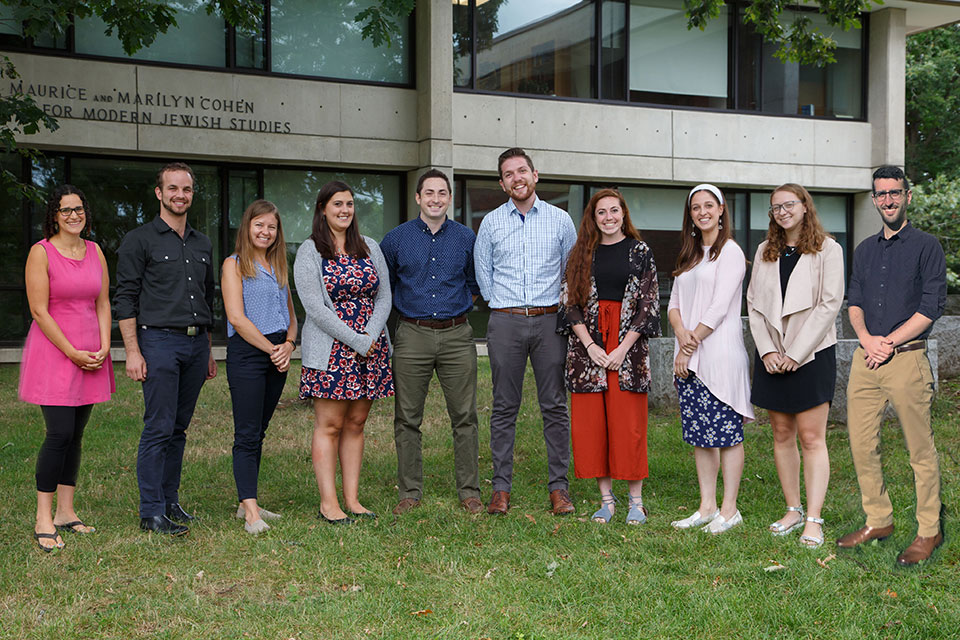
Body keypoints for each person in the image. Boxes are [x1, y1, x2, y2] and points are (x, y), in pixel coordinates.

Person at [838, 166, 947, 566]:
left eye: (895, 193)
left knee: (920, 450)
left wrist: (888, 342)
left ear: (908, 196)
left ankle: (928, 530)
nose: (888, 200)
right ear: (874, 199)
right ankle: (878, 519)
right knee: (862, 444)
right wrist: (867, 340)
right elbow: (854, 300)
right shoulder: (865, 249)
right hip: (866, 358)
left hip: (907, 358)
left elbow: (931, 306)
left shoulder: (927, 246)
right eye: (881, 194)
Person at [114, 162, 217, 536]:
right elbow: (124, 299)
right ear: (159, 193)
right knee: (158, 426)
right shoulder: (139, 240)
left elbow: (207, 300)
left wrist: (206, 350)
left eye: (186, 189)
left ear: (192, 194)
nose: (180, 195)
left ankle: (171, 501)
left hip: (194, 345)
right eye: (172, 188)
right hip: (157, 342)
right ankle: (151, 511)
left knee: (179, 427)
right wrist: (133, 351)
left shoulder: (203, 242)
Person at [474, 147, 578, 516]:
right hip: (506, 321)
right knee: (504, 406)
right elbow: (483, 274)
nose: (517, 178)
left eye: (522, 171)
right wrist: (502, 307)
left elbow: (572, 272)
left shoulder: (561, 221)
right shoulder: (490, 223)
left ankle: (559, 489)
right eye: (509, 174)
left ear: (536, 175)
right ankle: (500, 489)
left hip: (551, 321)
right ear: (502, 184)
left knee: (554, 405)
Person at [746, 184, 844, 549]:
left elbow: (829, 304)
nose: (783, 211)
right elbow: (754, 304)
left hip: (812, 354)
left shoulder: (828, 249)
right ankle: (793, 509)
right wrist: (770, 351)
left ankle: (814, 519)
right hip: (772, 355)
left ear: (804, 206)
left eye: (789, 204)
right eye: (776, 208)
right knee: (782, 434)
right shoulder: (764, 251)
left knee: (811, 437)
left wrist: (795, 353)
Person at [380, 169, 483, 516]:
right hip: (412, 334)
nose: (436, 199)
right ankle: (409, 491)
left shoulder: (467, 238)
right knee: (407, 418)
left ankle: (469, 491)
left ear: (449, 198)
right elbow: (385, 286)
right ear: (418, 197)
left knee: (465, 417)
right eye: (429, 193)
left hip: (457, 334)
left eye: (442, 193)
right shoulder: (395, 239)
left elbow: (474, 282)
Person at [20, 185, 115, 551]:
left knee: (76, 434)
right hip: (55, 353)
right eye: (65, 211)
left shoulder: (95, 252)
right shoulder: (40, 253)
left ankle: (65, 512)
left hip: (91, 352)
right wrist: (71, 351)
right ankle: (43, 518)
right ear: (54, 216)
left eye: (78, 209)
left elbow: (103, 302)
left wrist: (105, 343)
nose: (73, 216)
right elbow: (39, 310)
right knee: (58, 433)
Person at [558, 189, 660, 525]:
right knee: (593, 426)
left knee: (628, 424)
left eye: (614, 211)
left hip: (627, 351)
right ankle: (606, 499)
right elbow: (568, 304)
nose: (608, 218)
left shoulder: (639, 251)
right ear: (593, 217)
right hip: (589, 348)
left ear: (623, 213)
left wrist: (621, 348)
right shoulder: (581, 253)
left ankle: (636, 501)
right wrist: (590, 346)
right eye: (601, 212)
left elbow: (649, 305)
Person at [294, 180, 393, 525]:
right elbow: (314, 307)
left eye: (349, 204)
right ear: (323, 208)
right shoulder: (310, 250)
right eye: (337, 204)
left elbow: (384, 297)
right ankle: (328, 503)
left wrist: (369, 336)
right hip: (332, 349)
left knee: (356, 422)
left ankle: (352, 499)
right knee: (331, 424)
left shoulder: (370, 247)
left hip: (370, 347)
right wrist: (354, 338)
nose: (345, 210)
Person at [668, 183, 754, 534]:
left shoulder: (730, 252)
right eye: (695, 208)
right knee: (701, 436)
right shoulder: (689, 256)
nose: (702, 212)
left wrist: (690, 345)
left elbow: (719, 308)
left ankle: (730, 510)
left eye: (709, 206)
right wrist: (681, 335)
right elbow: (673, 304)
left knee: (727, 435)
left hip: (718, 358)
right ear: (690, 215)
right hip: (688, 358)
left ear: (721, 210)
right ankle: (707, 506)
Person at [222, 200, 298, 535]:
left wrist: (289, 345)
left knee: (260, 430)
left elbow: (291, 316)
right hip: (250, 353)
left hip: (278, 353)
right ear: (247, 227)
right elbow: (237, 319)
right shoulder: (234, 264)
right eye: (259, 225)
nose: (265, 232)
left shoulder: (279, 267)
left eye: (271, 226)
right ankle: (251, 512)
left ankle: (246, 501)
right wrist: (272, 350)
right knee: (247, 432)